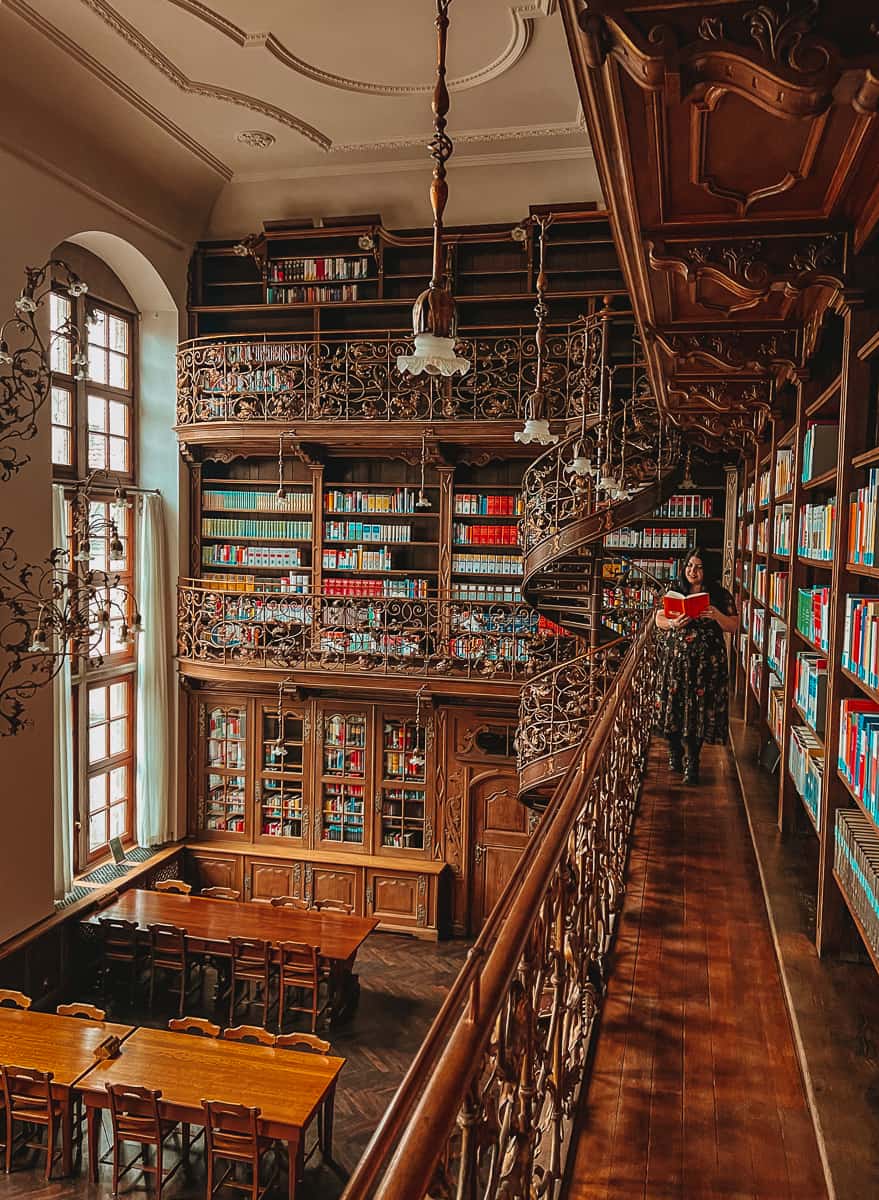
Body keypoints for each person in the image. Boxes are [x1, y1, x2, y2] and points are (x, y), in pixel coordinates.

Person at [654, 547, 738, 784]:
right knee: (674, 707)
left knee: (699, 713)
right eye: (690, 566)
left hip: (706, 666)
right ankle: (674, 752)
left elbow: (733, 626)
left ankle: (693, 761)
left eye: (699, 567)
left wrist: (715, 615)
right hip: (676, 664)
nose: (693, 571)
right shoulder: (674, 591)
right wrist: (672, 624)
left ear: (707, 570)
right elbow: (658, 618)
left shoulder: (720, 596)